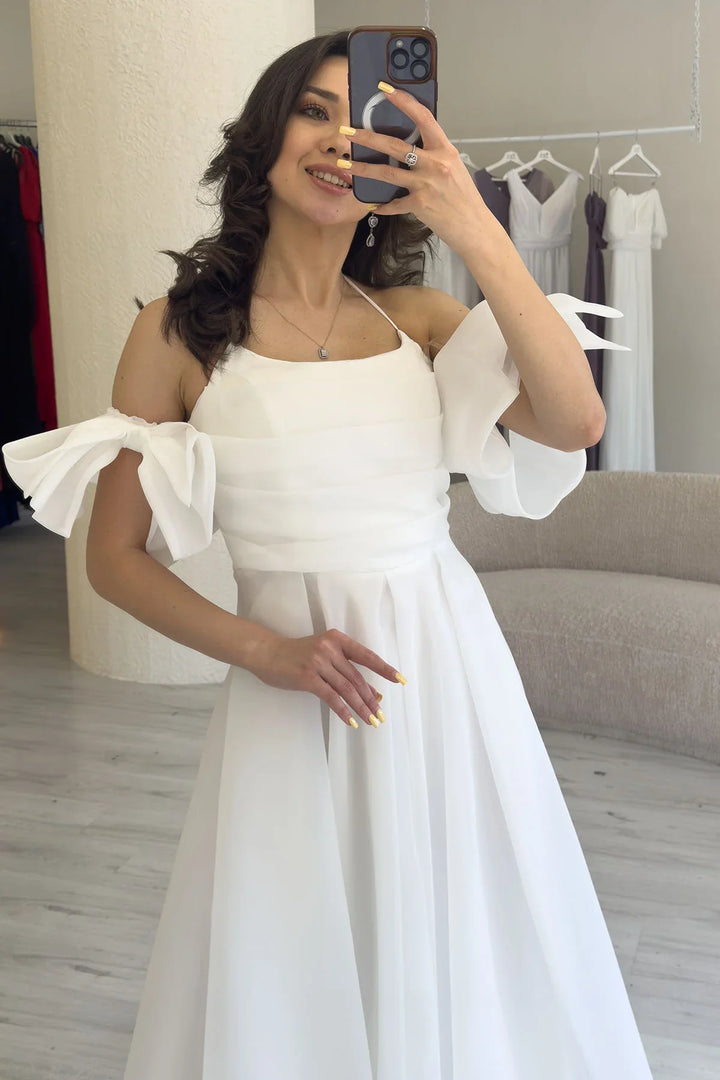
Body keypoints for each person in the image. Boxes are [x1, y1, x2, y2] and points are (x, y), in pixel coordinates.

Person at [2, 29, 654, 1080]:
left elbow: (576, 420)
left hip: (441, 675)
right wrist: (264, 651)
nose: (341, 141)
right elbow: (114, 558)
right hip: (288, 694)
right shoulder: (178, 334)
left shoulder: (421, 320)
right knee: (293, 944)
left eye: (371, 124)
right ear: (263, 137)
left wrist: (472, 226)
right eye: (314, 110)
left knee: (462, 919)